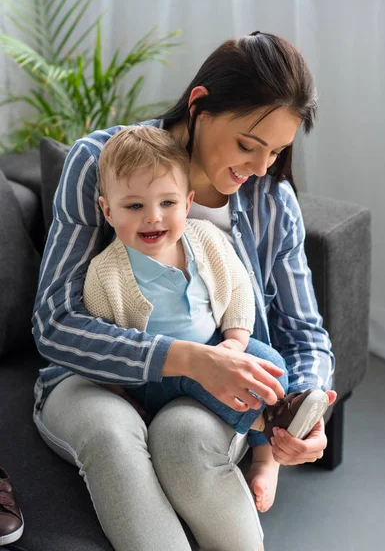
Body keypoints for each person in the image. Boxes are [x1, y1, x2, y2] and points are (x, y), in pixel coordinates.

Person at [32, 31, 337, 551]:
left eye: (277, 151)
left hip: (214, 390)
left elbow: (304, 331)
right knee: (110, 435)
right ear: (199, 106)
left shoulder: (272, 202)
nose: (260, 168)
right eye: (247, 144)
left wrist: (305, 413)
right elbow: (54, 321)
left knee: (184, 442)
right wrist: (185, 359)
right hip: (95, 378)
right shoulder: (98, 162)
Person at [82, 124, 330, 513]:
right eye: (134, 206)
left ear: (187, 202)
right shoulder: (105, 273)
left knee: (269, 360)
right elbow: (104, 344)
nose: (153, 218)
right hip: (159, 370)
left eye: (167, 203)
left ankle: (268, 460)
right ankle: (270, 422)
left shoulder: (207, 240)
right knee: (206, 380)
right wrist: (125, 399)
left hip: (218, 341)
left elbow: (237, 291)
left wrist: (235, 339)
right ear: (107, 209)